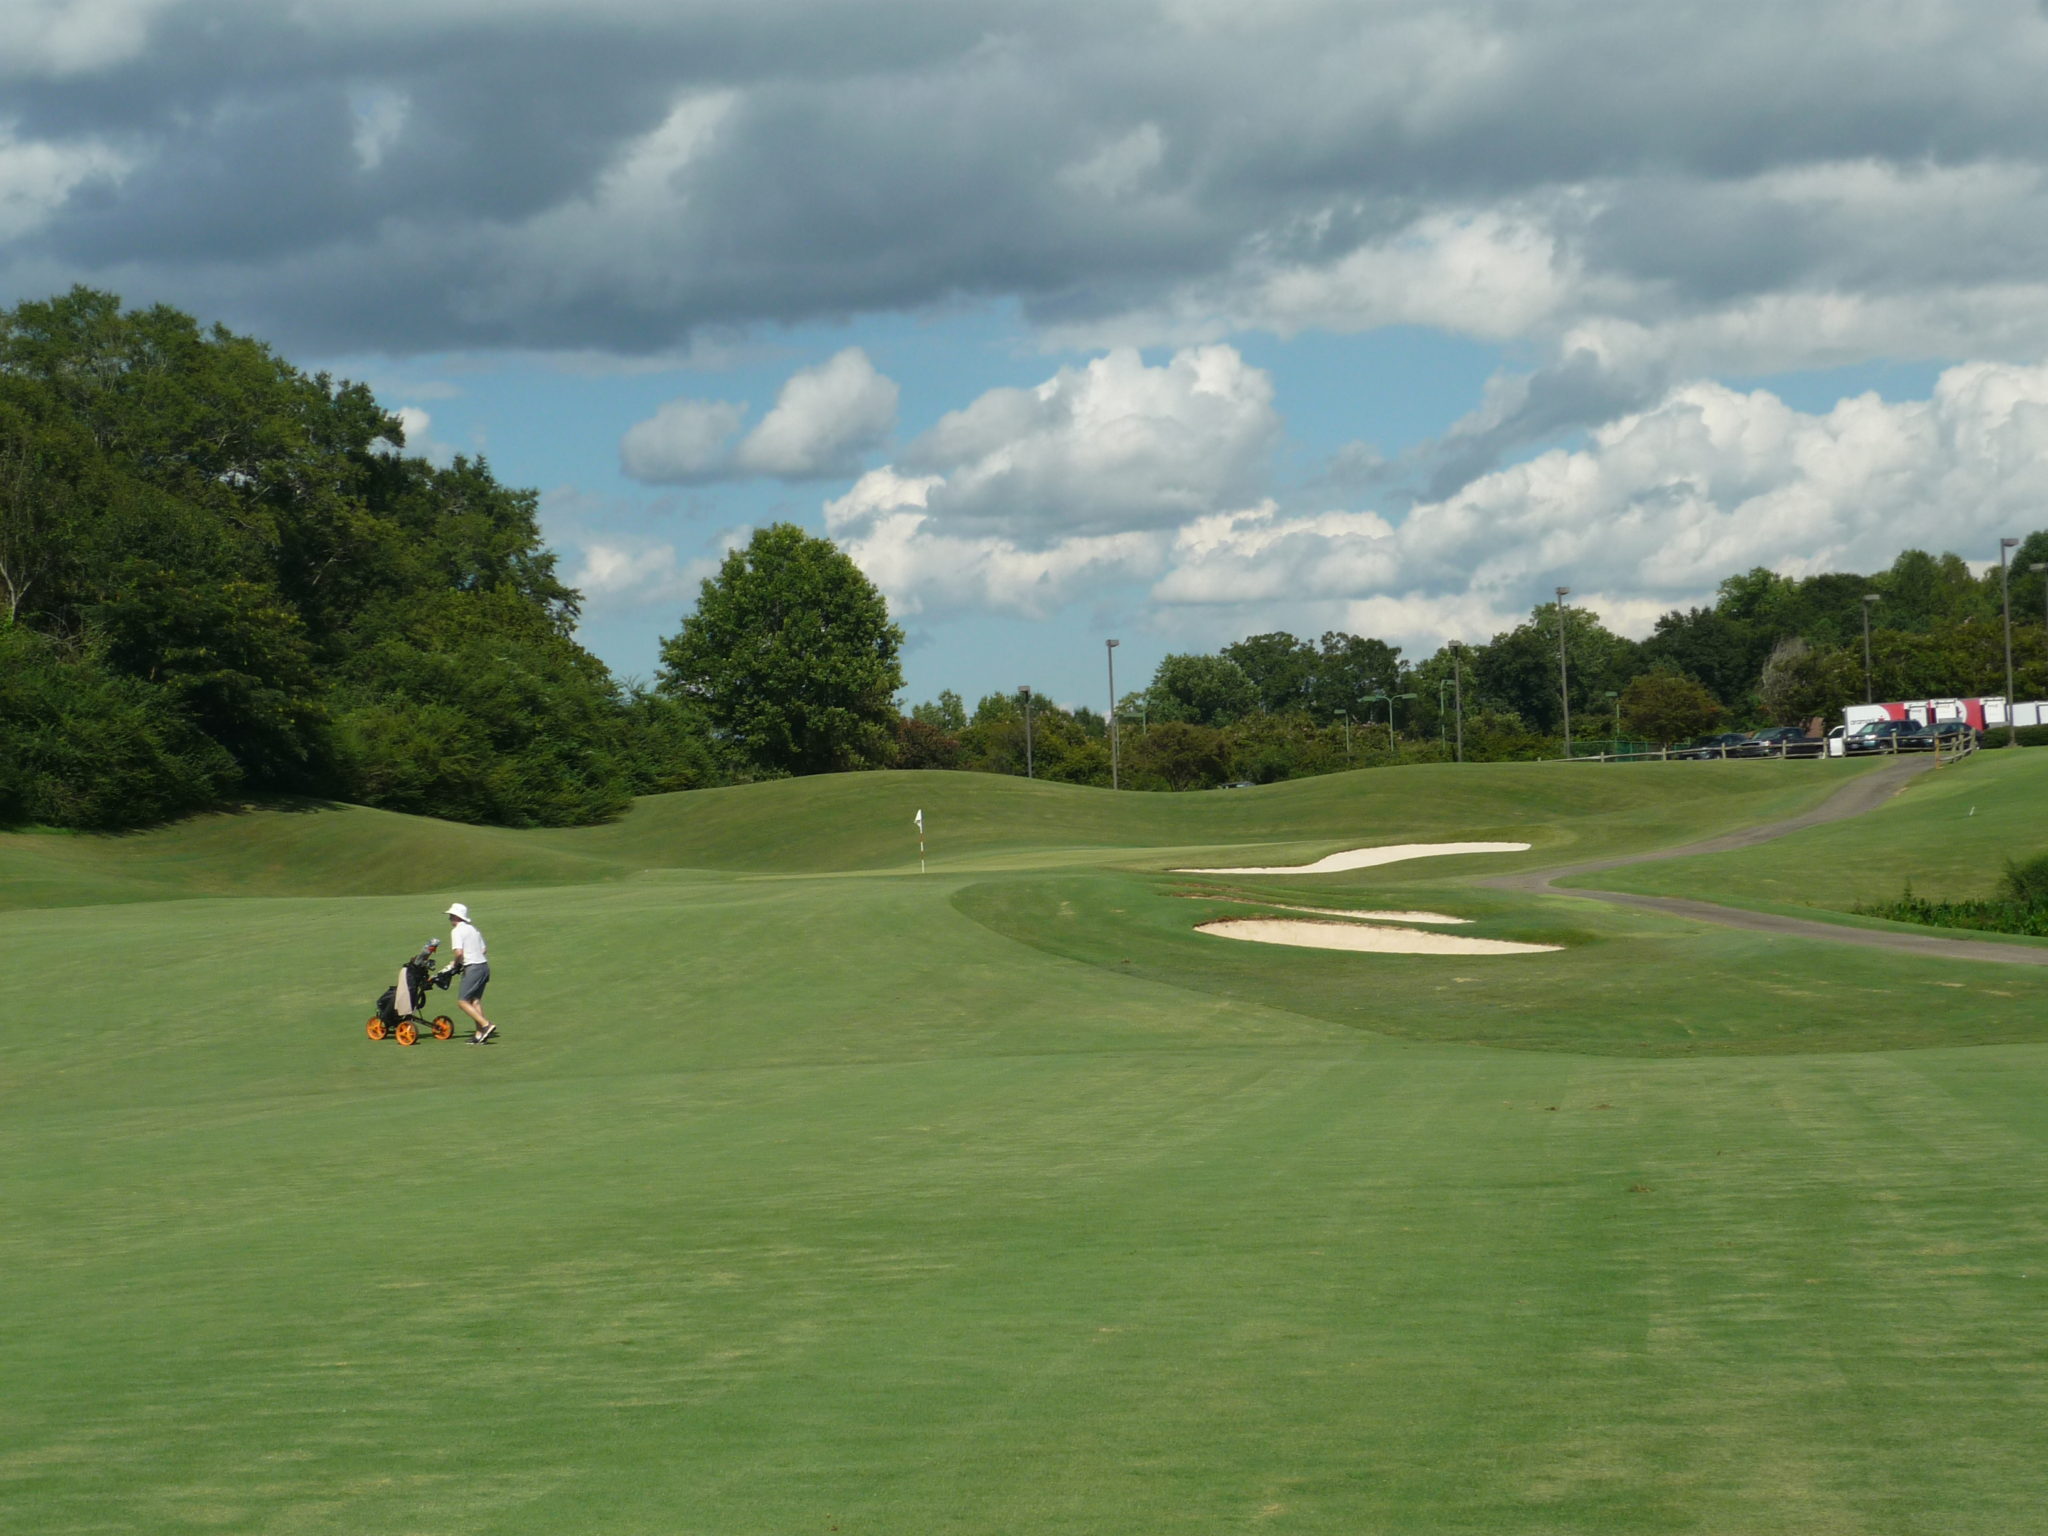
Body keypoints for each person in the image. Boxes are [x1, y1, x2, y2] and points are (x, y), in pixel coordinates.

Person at [438, 901, 496, 1044]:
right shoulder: (473, 929)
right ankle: (479, 1035)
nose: (450, 918)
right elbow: (484, 950)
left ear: (457, 917)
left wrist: (455, 964)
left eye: (451, 915)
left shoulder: (457, 931)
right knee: (475, 1001)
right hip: (484, 967)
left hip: (473, 968)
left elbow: (458, 953)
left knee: (462, 1002)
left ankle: (486, 1025)